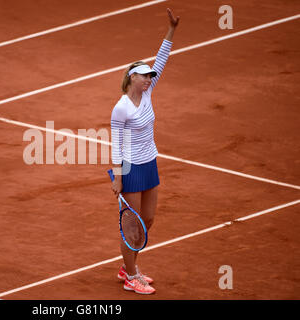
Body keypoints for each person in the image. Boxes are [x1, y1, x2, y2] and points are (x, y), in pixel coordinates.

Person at [110, 8, 179, 295]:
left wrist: (171, 30)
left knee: (147, 219)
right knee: (131, 225)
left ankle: (130, 267)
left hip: (149, 162)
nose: (149, 79)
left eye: (150, 76)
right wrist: (117, 177)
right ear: (132, 79)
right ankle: (131, 275)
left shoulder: (148, 92)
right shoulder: (121, 107)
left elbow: (161, 58)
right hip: (129, 168)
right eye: (144, 76)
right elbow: (115, 141)